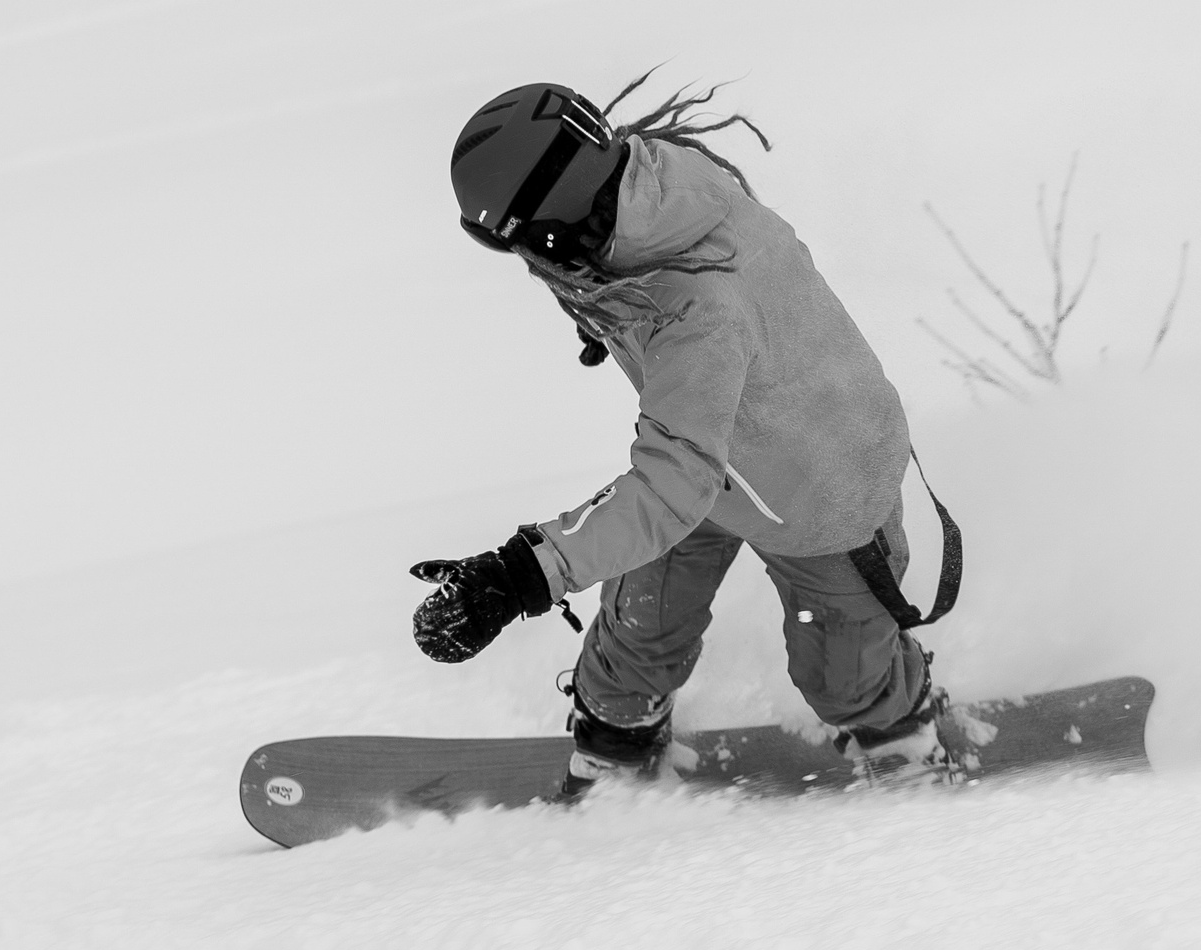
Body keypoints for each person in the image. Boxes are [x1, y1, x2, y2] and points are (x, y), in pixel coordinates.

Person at [407, 79, 961, 800]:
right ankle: (617, 750)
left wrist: (519, 575)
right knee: (638, 631)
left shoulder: (696, 307)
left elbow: (671, 483)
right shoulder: (641, 192)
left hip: (824, 488)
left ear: (550, 228)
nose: (528, 264)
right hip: (718, 461)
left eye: (514, 243)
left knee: (847, 679)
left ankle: (905, 739)